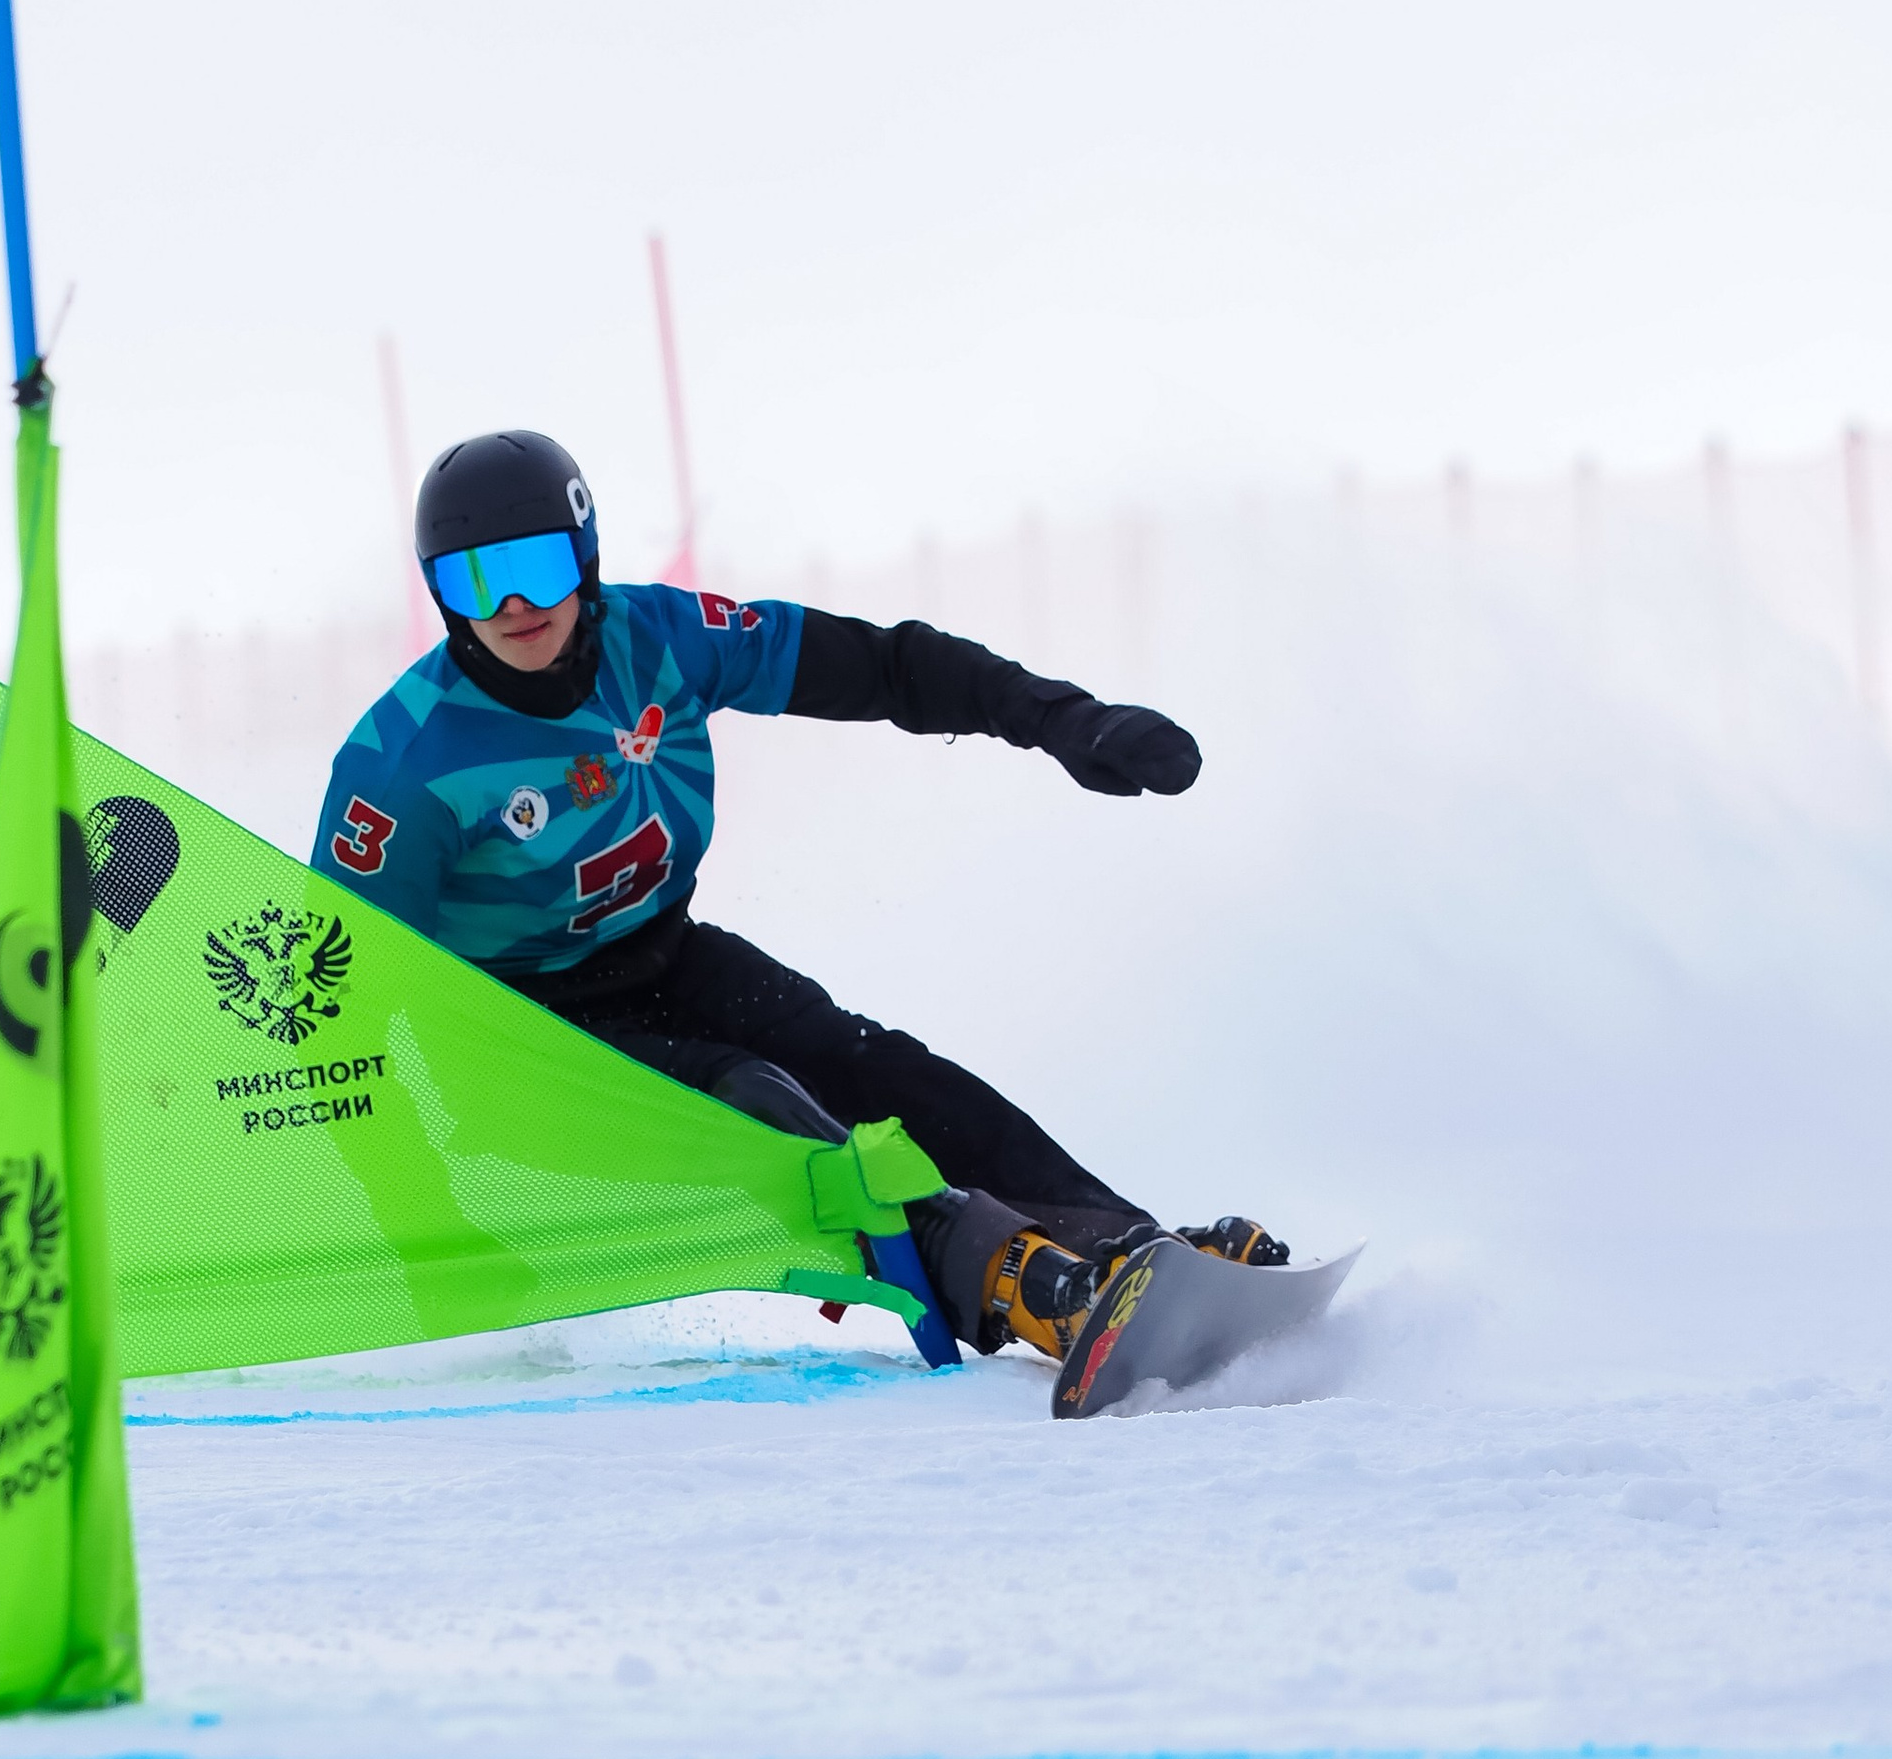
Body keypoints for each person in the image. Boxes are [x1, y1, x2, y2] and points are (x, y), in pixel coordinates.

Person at [310, 428, 1285, 1365]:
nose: (516, 603)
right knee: (756, 1102)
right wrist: (421, 1227)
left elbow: (882, 666)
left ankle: (1127, 1249)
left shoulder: (661, 640)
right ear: (441, 595)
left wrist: (1062, 719)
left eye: (541, 566)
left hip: (660, 956)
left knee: (867, 1065)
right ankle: (1011, 1279)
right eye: (475, 578)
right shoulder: (405, 769)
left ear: (587, 553)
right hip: (511, 1047)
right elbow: (334, 1015)